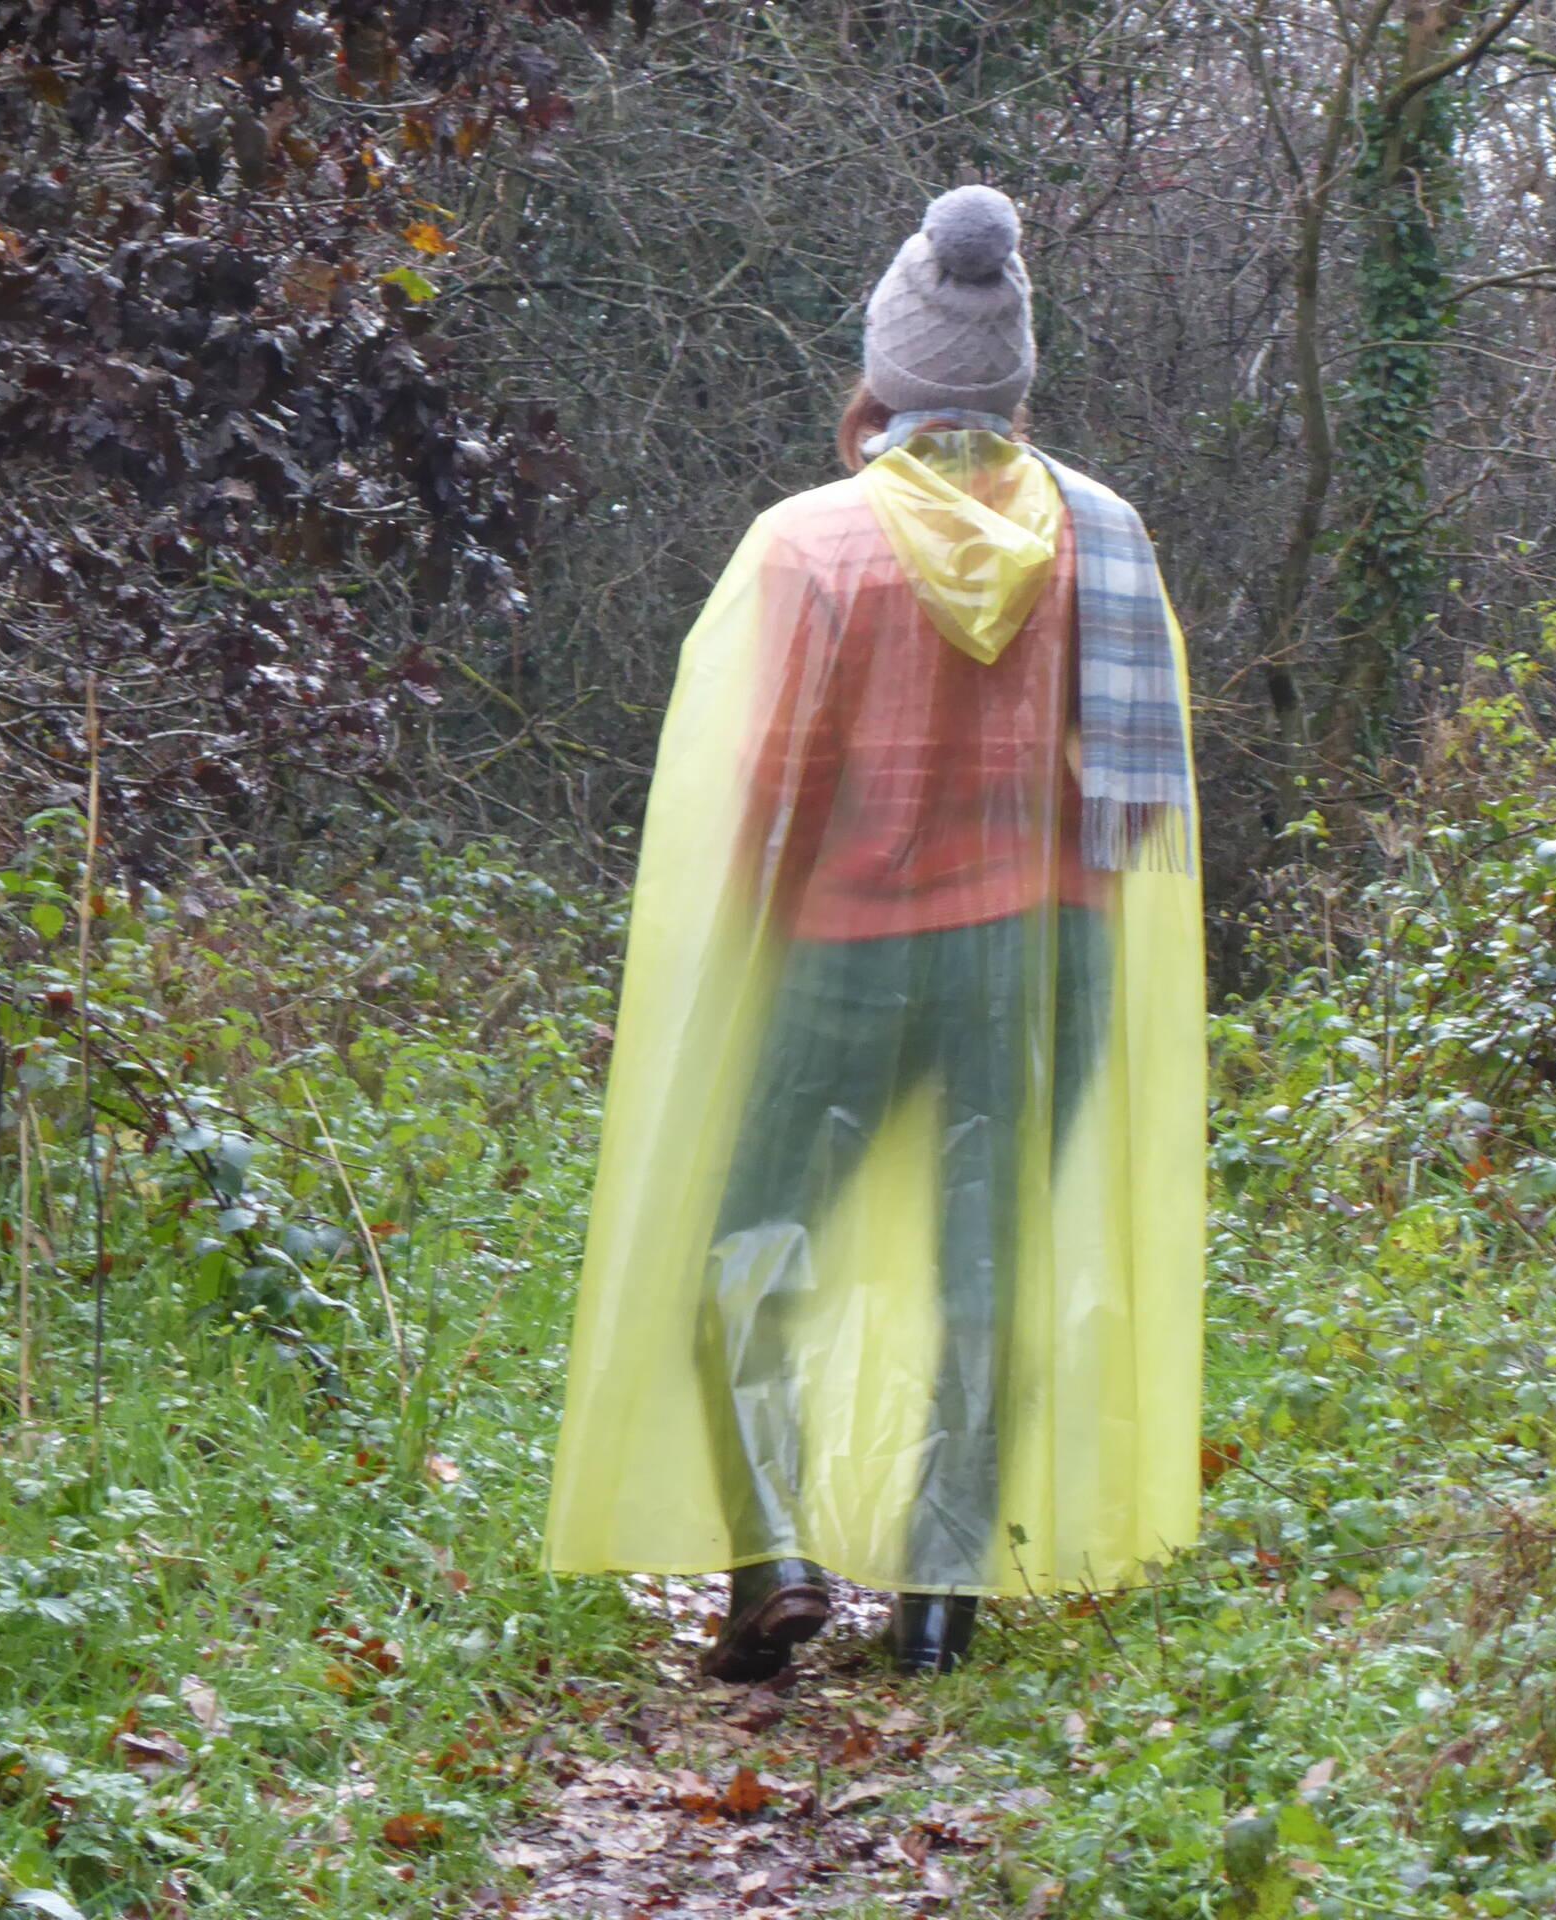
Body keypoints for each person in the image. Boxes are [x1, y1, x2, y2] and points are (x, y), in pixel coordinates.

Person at [545, 186, 1206, 1680]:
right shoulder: (1106, 540)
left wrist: (745, 962)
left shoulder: (812, 545)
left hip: (851, 949)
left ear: (885, 369)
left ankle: (773, 1555)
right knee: (990, 1264)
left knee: (743, 1247)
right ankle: (939, 1596)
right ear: (1015, 377)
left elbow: (775, 788)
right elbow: (1136, 804)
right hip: (1049, 965)